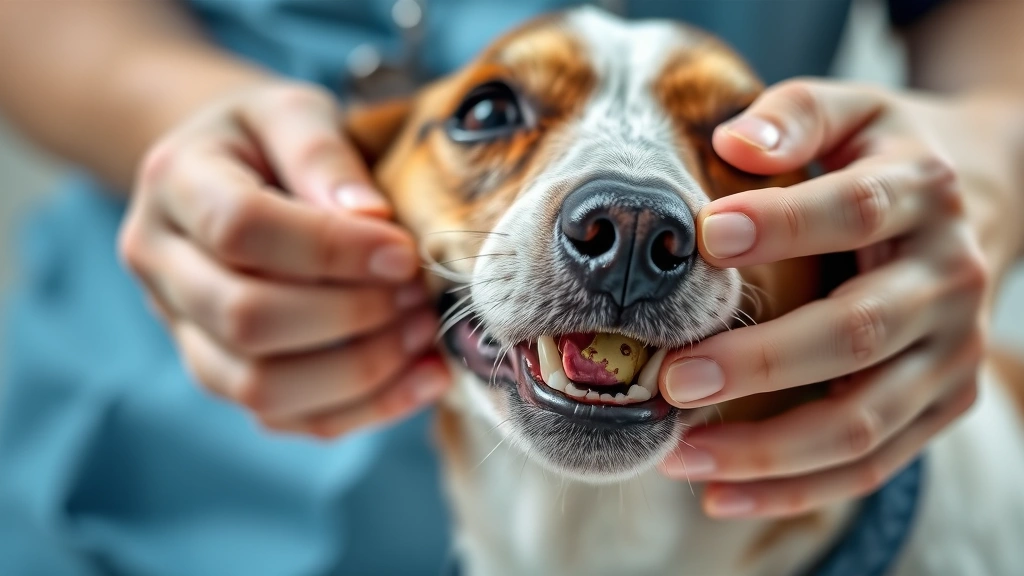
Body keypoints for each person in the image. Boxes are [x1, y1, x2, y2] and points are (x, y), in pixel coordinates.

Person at [0, 0, 1021, 573]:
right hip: (142, 473)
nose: (628, 226)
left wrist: (988, 154)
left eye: (732, 153)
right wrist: (192, 121)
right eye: (491, 114)